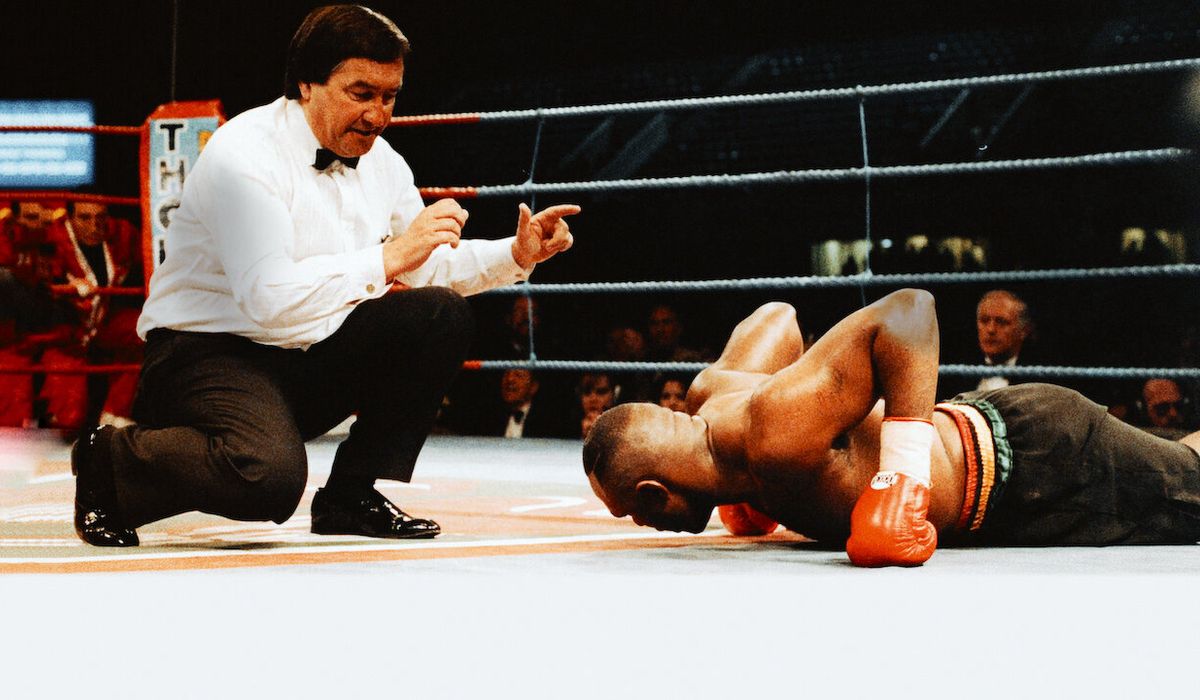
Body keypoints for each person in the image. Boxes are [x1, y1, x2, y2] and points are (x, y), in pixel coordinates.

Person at [69, 5, 579, 547]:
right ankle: (111, 458)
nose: (378, 115)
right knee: (268, 481)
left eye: (390, 96)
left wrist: (515, 254)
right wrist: (388, 257)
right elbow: (267, 298)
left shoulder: (383, 163)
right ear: (306, 85)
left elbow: (427, 266)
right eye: (362, 93)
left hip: (304, 353)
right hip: (203, 354)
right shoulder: (242, 154)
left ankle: (351, 495)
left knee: (438, 314)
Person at [583, 289, 1200, 567]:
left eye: (634, 513)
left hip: (1043, 464)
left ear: (653, 494)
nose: (645, 525)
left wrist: (902, 479)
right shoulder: (712, 396)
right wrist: (742, 486)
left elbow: (910, 312)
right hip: (1002, 467)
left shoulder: (774, 432)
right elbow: (777, 318)